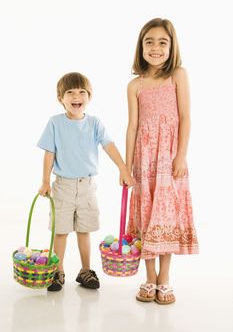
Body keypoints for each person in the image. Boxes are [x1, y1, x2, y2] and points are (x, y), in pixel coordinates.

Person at [37, 72, 133, 292]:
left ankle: (85, 270)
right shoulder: (55, 123)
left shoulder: (94, 123)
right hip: (63, 186)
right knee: (60, 231)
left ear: (89, 96)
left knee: (84, 229)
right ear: (61, 98)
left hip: (87, 186)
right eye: (70, 92)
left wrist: (123, 167)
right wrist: (45, 181)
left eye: (81, 92)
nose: (76, 96)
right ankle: (57, 270)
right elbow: (49, 154)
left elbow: (109, 145)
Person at [126, 18, 199, 304]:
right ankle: (149, 277)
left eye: (162, 42)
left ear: (172, 46)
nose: (155, 47)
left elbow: (186, 117)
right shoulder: (135, 85)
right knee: (146, 216)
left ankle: (165, 279)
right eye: (149, 41)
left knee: (166, 216)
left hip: (169, 157)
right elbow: (132, 125)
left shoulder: (177, 75)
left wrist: (181, 155)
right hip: (144, 160)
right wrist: (128, 165)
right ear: (141, 46)